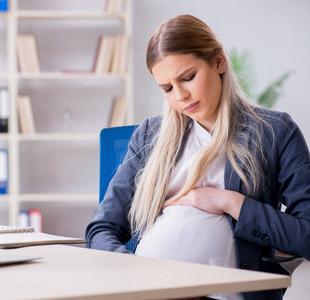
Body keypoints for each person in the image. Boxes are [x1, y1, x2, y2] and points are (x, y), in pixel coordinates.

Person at [85, 14, 310, 300]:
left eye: (188, 77)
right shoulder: (150, 136)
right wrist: (133, 269)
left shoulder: (274, 132)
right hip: (145, 292)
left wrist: (230, 202)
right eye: (166, 88)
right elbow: (101, 228)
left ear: (218, 62)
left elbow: (306, 234)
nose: (180, 95)